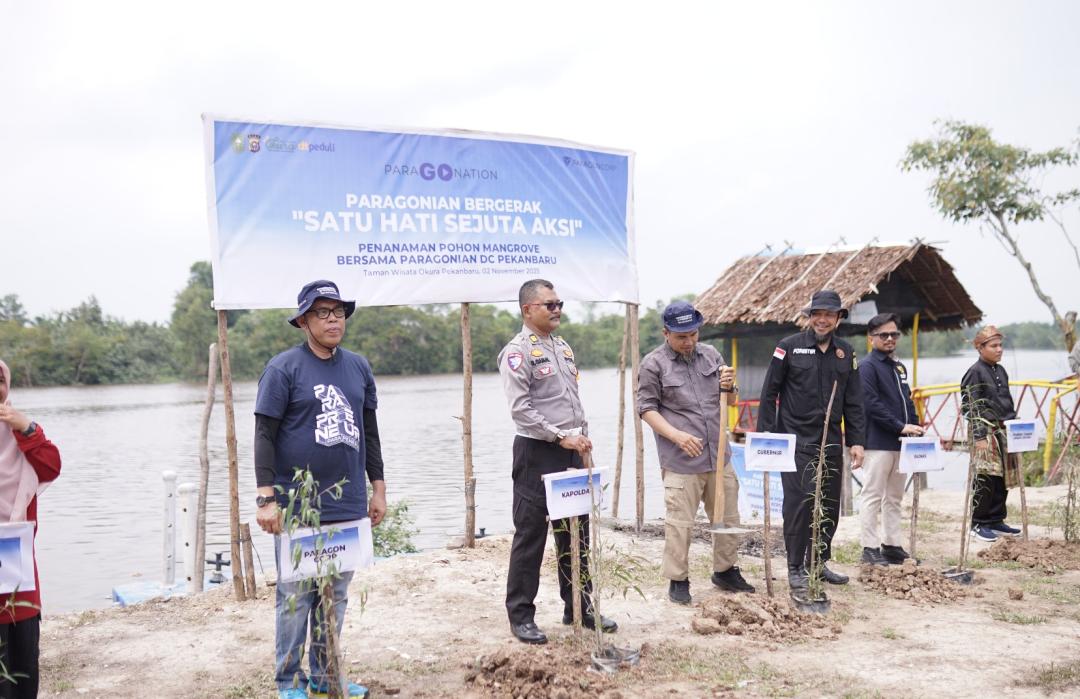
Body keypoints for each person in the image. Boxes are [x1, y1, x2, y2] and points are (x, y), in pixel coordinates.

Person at [253, 280, 386, 699]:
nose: (333, 319)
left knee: (337, 594)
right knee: (295, 597)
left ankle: (326, 676)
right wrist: (266, 498)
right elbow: (263, 435)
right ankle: (288, 682)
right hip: (296, 505)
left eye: (338, 312)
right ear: (303, 321)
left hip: (345, 502)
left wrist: (378, 489)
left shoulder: (359, 367)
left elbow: (370, 434)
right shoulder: (283, 369)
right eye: (322, 312)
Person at [498, 279, 617, 645]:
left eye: (559, 303)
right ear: (527, 310)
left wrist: (579, 439)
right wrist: (558, 435)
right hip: (538, 451)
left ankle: (579, 606)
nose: (556, 309)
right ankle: (521, 616)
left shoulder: (563, 347)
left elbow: (572, 401)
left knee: (576, 533)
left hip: (571, 449)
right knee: (531, 535)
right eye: (549, 304)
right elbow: (521, 410)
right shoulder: (516, 353)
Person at [637, 301, 754, 604]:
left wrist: (730, 388)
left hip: (719, 455)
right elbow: (646, 410)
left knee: (727, 517)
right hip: (681, 460)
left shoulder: (712, 356)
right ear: (666, 333)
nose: (688, 342)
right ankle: (678, 579)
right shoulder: (653, 364)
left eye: (693, 335)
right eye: (681, 337)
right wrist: (676, 436)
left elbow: (728, 402)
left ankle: (725, 570)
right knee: (680, 523)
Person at [757, 290, 866, 591]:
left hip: (830, 440)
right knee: (800, 503)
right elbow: (770, 392)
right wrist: (766, 435)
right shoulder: (788, 347)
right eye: (817, 314)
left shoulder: (846, 353)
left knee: (830, 505)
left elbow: (855, 401)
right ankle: (795, 567)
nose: (822, 319)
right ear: (809, 317)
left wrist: (856, 440)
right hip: (795, 442)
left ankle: (818, 563)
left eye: (829, 314)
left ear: (838, 318)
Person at [0, 360, 61, 699]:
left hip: (15, 573)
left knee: (22, 675)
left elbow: (51, 465)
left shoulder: (19, 434)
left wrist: (26, 428)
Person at [858, 313, 924, 566]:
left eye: (894, 334)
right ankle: (869, 547)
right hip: (877, 441)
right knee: (872, 494)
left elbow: (907, 400)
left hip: (902, 442)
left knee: (895, 496)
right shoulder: (867, 367)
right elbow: (871, 403)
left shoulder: (898, 367)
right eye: (883, 335)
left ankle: (892, 544)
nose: (889, 338)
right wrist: (900, 426)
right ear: (871, 338)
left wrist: (915, 426)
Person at [962, 326, 1021, 543]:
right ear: (980, 348)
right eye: (994, 346)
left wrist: (1015, 424)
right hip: (984, 431)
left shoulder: (1001, 370)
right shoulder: (975, 372)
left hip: (1003, 429)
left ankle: (996, 520)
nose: (999, 349)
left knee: (1002, 477)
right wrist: (979, 436)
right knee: (985, 476)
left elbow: (1007, 401)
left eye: (1000, 345)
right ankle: (978, 523)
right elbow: (970, 406)